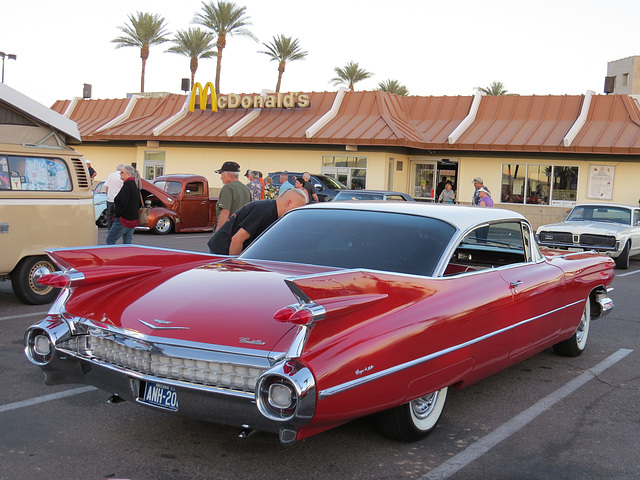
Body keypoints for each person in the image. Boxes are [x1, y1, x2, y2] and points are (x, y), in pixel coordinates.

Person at [208, 188, 308, 255]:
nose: (299, 212)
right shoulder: (263, 211)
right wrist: (235, 268)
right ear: (288, 203)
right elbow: (237, 239)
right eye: (299, 207)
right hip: (221, 250)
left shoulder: (275, 212)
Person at [106, 165, 141, 245]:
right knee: (127, 242)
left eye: (122, 172)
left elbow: (124, 203)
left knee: (110, 240)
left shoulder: (128, 185)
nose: (120, 174)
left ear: (128, 174)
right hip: (133, 219)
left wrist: (117, 214)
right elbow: (138, 203)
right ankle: (128, 256)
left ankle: (112, 256)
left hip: (124, 219)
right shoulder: (135, 184)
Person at [215, 161, 251, 231]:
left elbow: (225, 212)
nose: (221, 178)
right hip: (241, 229)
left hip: (230, 229)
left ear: (229, 174)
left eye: (222, 175)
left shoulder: (227, 188)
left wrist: (218, 232)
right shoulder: (245, 188)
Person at [104, 164, 125, 230]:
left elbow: (107, 186)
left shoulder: (111, 175)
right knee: (117, 216)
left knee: (109, 215)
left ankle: (109, 229)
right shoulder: (122, 176)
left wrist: (107, 195)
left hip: (109, 198)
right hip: (118, 200)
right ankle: (115, 229)